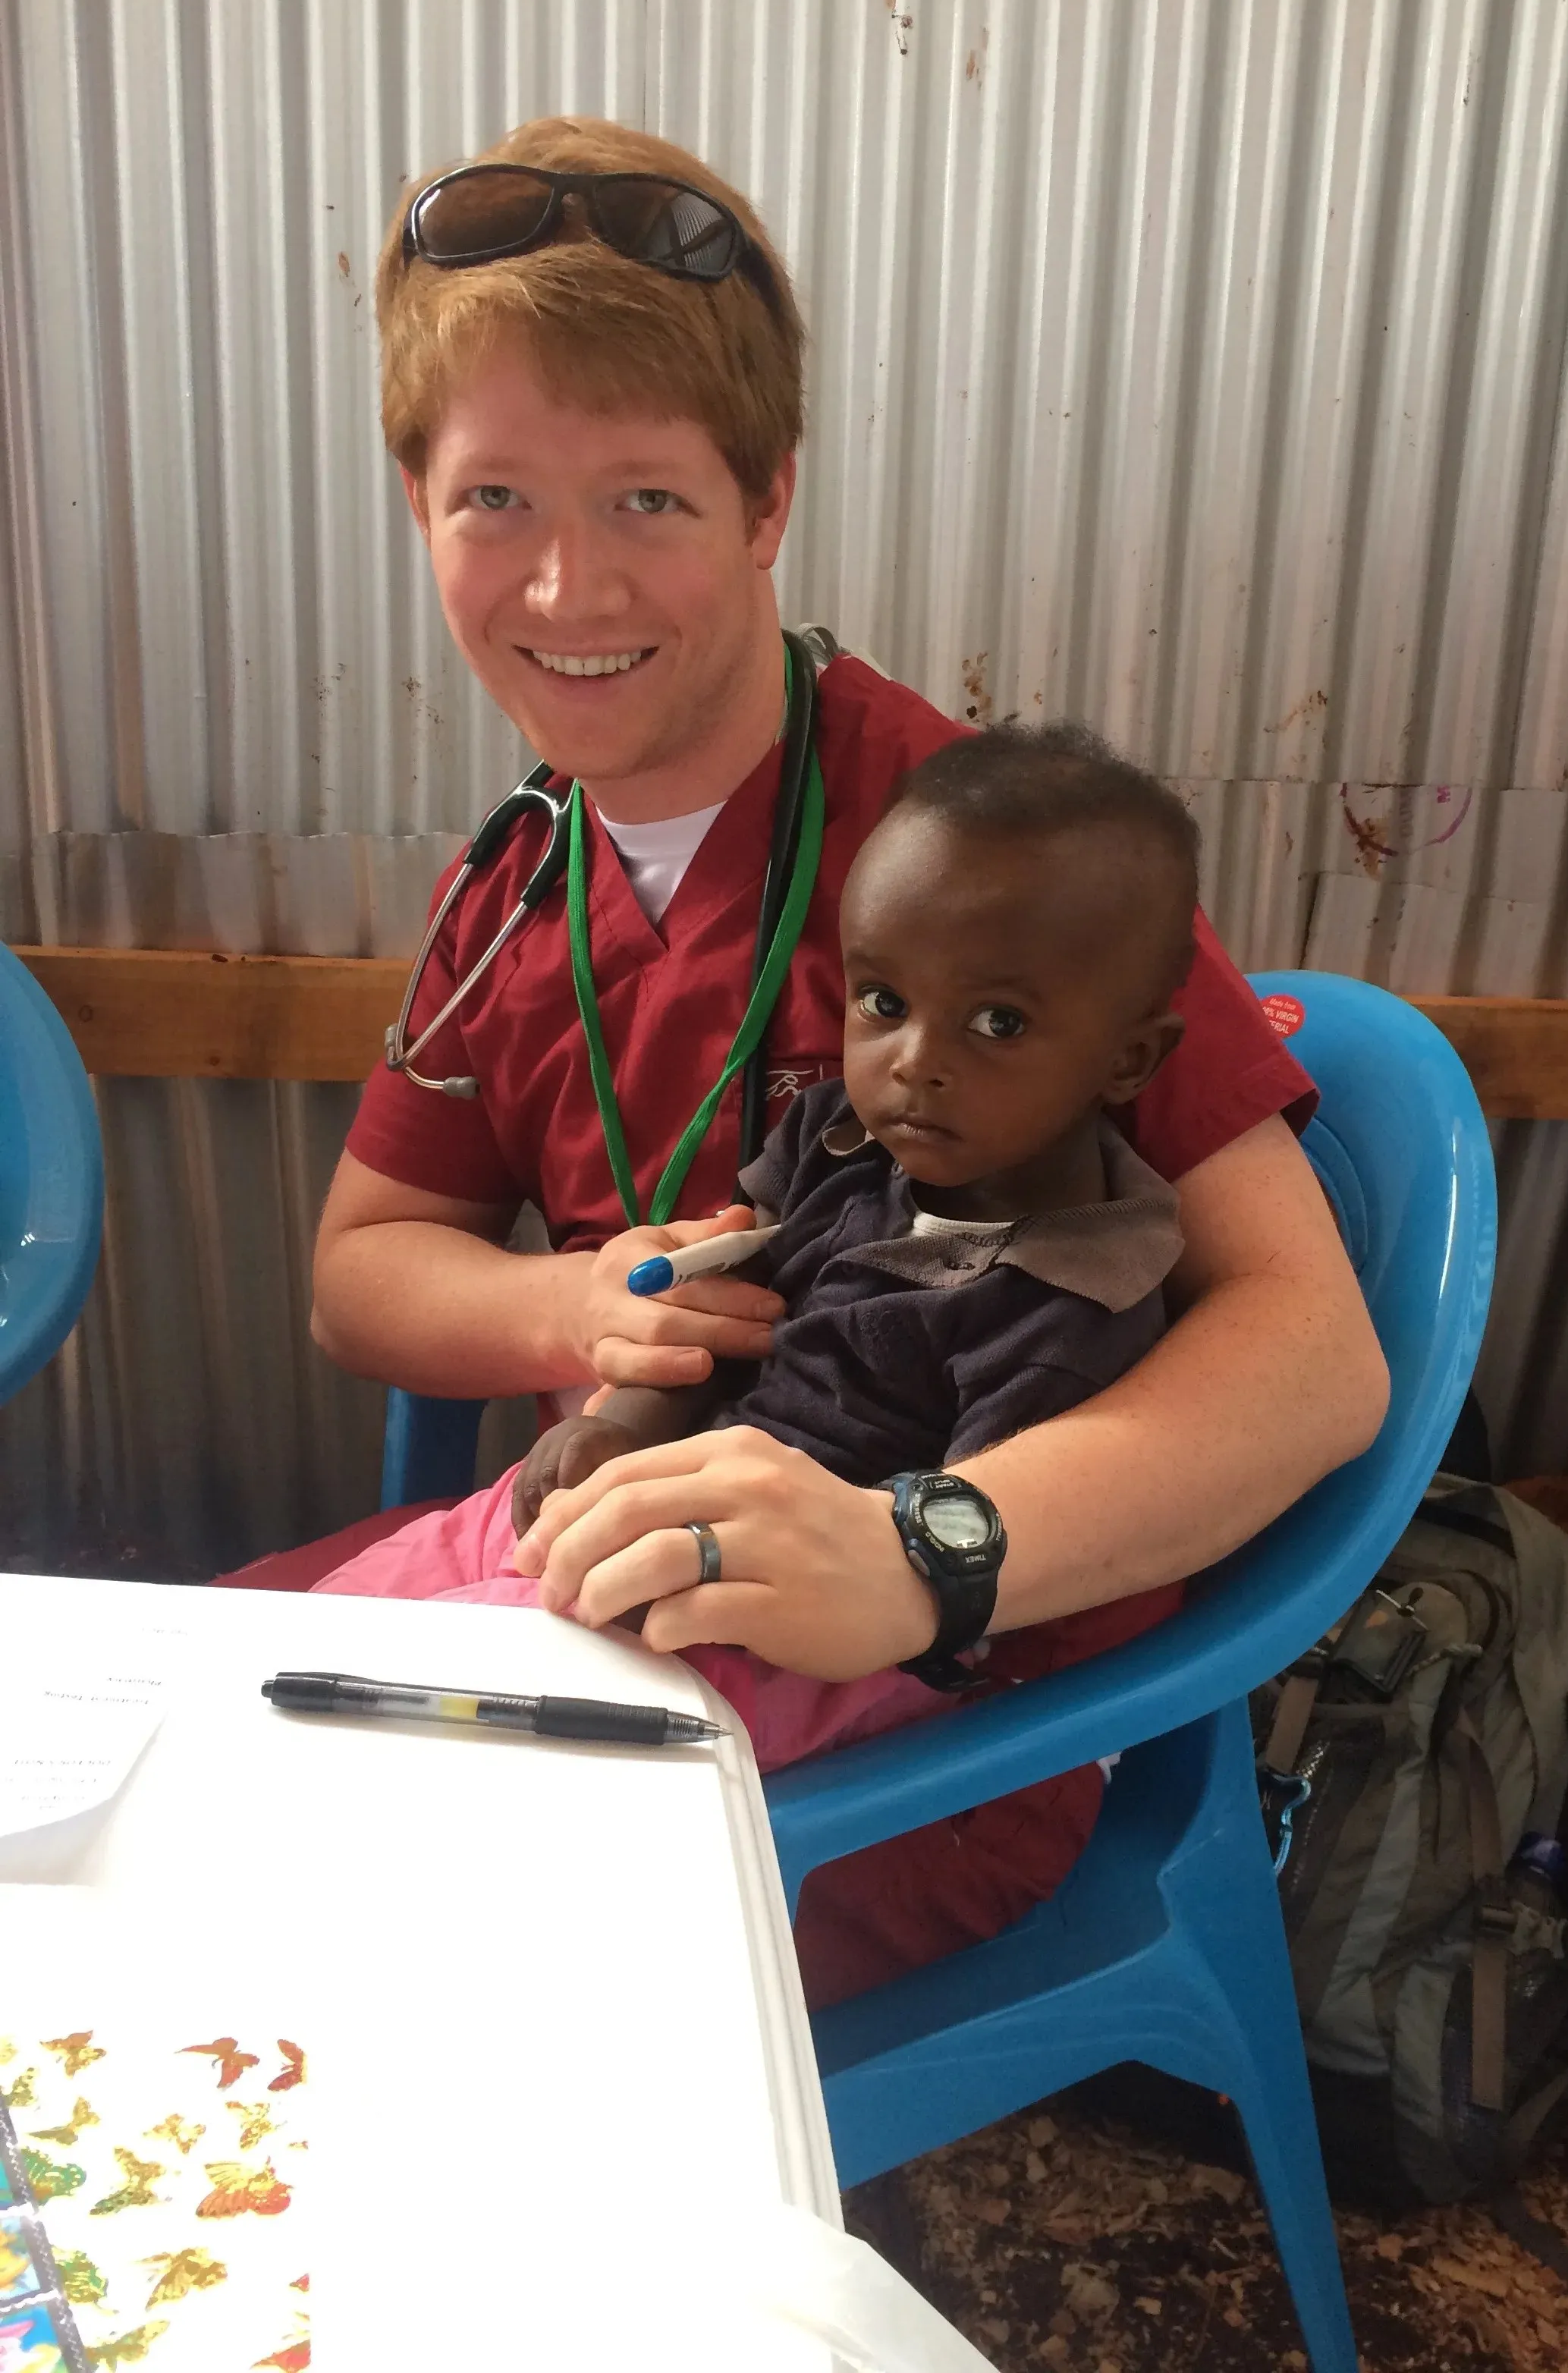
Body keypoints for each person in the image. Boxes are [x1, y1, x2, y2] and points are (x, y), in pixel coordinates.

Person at [284, 112, 1387, 1994]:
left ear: (768, 500)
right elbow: (362, 1278)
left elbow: (1313, 1356)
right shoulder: (519, 873)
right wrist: (576, 1316)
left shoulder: (983, 867)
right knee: (149, 1769)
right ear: (417, 507)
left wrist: (927, 1548)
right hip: (590, 1587)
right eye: (496, 502)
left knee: (354, 1959)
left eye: (645, 499)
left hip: (938, 1725)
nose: (568, 591)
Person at [309, 726, 1205, 1996]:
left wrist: (765, 1569)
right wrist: (620, 1414)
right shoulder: (844, 1144)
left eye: (998, 1022)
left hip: (833, 1653)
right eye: (884, 1004)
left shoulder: (1072, 1297)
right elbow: (730, 1285)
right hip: (672, 1506)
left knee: (460, 1727)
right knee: (327, 1631)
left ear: (1130, 1060)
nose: (914, 1061)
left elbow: (971, 1605)